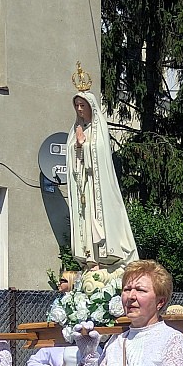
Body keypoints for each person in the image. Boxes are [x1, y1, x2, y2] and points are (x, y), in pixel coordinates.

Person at [66, 82, 140, 267]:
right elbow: (72, 159)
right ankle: (90, 256)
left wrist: (84, 144)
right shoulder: (76, 130)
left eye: (83, 105)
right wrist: (76, 144)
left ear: (91, 107)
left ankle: (106, 255)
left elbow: (99, 154)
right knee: (85, 219)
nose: (80, 109)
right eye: (77, 106)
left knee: (98, 217)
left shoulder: (99, 129)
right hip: (83, 185)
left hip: (97, 184)